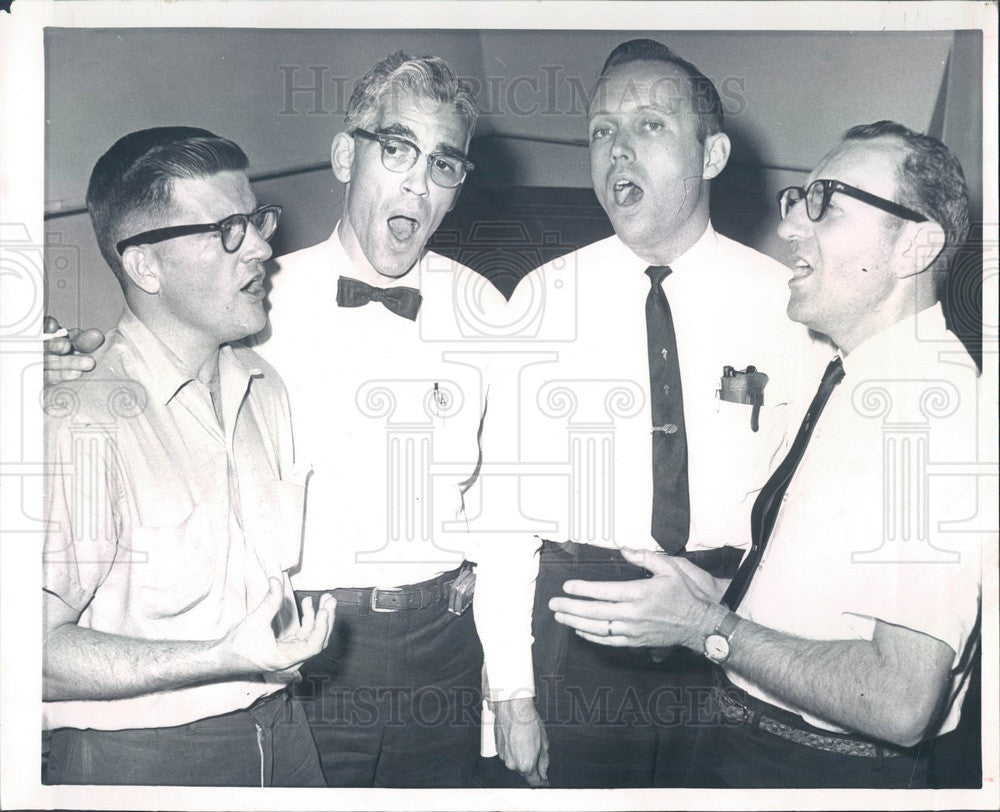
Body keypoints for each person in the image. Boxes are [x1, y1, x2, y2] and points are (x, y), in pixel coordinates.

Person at [549, 121, 986, 788]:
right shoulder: (863, 378)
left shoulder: (928, 411)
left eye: (829, 206)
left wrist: (707, 628)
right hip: (755, 742)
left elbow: (900, 699)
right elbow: (833, 603)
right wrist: (724, 597)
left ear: (917, 245)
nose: (790, 229)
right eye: (797, 201)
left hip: (819, 769)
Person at [475, 38, 824, 788]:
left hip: (735, 631)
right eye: (601, 131)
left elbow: (813, 502)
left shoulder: (792, 307)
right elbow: (501, 515)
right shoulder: (540, 299)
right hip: (579, 635)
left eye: (650, 126)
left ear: (713, 154)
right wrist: (510, 692)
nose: (616, 149)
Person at [42, 126, 335, 786]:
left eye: (257, 219)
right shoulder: (80, 416)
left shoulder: (266, 388)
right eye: (228, 228)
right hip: (141, 758)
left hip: (283, 731)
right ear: (146, 264)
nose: (262, 246)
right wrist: (217, 656)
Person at [246, 52, 509, 787]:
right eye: (397, 151)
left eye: (444, 165)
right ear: (344, 155)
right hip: (309, 647)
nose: (419, 185)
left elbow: (504, 496)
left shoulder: (484, 306)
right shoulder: (254, 301)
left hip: (445, 647)